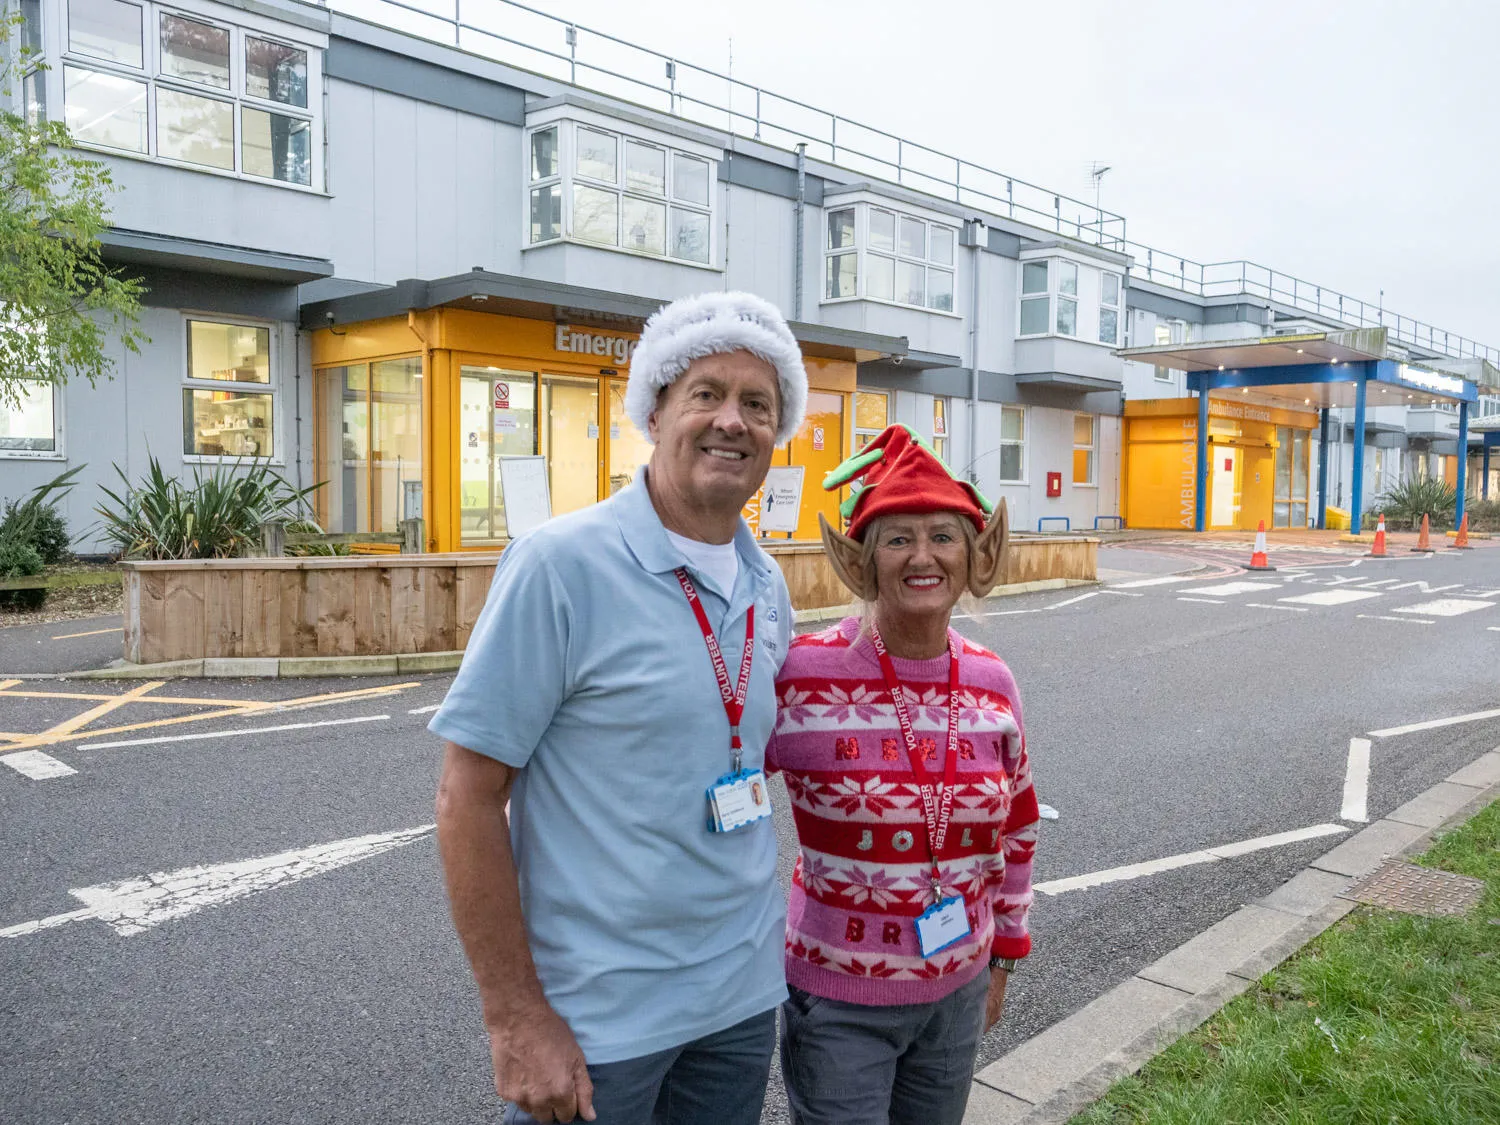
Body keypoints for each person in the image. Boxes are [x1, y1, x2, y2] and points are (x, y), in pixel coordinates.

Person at [430, 291, 807, 1125]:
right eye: (706, 392)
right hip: (598, 1021)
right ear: (655, 409)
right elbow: (466, 796)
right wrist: (516, 1017)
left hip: (739, 1002)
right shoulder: (559, 566)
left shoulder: (766, 584)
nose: (731, 421)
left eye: (757, 403)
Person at [766, 423, 1040, 1125]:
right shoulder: (802, 675)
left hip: (957, 987)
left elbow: (1018, 826)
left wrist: (1003, 956)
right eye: (898, 537)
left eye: (943, 535)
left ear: (972, 553)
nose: (923, 555)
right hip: (838, 999)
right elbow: (717, 783)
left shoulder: (992, 680)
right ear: (865, 559)